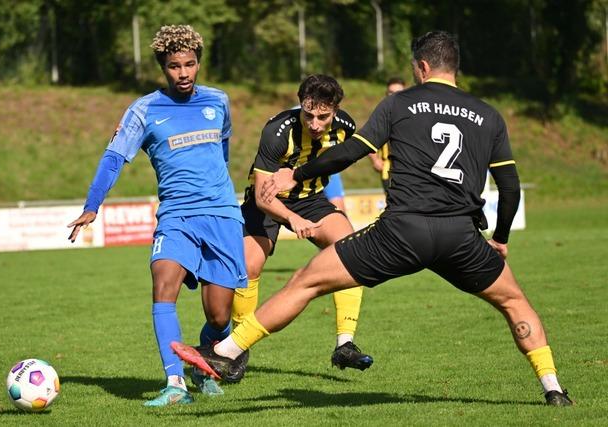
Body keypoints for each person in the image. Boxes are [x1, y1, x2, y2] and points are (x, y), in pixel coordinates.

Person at [173, 31, 573, 407]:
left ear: (421, 67)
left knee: (305, 281)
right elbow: (510, 188)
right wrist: (500, 238)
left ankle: (227, 351)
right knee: (516, 303)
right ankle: (553, 388)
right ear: (455, 68)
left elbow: (350, 153)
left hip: (402, 232)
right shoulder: (488, 115)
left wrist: (296, 174)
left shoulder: (400, 104)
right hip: (461, 237)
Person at [67, 25, 248, 406]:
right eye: (174, 66)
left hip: (221, 214)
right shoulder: (143, 110)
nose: (183, 73)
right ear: (162, 68)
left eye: (190, 64)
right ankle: (175, 385)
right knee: (162, 284)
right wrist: (91, 206)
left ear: (199, 63)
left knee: (219, 316)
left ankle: (204, 358)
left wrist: (221, 193)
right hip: (176, 216)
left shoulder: (219, 101)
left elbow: (224, 150)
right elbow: (115, 157)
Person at [228, 75, 373, 378]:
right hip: (267, 202)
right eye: (309, 115)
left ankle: (345, 344)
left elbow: (349, 156)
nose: (315, 123)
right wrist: (292, 219)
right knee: (249, 266)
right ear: (300, 104)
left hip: (311, 199)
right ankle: (237, 349)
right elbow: (263, 196)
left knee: (352, 250)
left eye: (323, 116)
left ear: (335, 110)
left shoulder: (345, 126)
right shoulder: (277, 131)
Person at [367, 77, 406, 193]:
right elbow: (368, 140)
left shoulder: (413, 115)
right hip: (389, 170)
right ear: (386, 94)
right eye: (391, 93)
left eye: (399, 93)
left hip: (410, 170)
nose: (394, 96)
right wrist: (375, 160)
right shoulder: (382, 117)